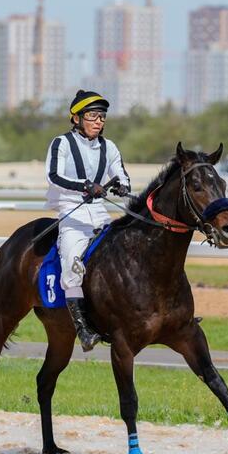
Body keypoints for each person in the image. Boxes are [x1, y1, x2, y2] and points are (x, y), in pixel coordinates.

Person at [45, 90, 131, 351]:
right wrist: (85, 185)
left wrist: (123, 187)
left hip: (100, 214)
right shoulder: (61, 143)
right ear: (76, 118)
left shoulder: (109, 146)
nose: (98, 121)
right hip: (72, 213)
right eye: (92, 116)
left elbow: (122, 173)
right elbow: (54, 176)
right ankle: (83, 329)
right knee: (72, 267)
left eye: (102, 117)